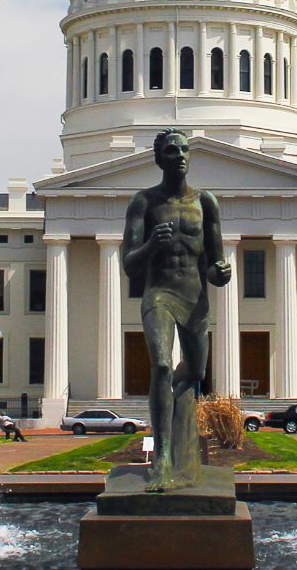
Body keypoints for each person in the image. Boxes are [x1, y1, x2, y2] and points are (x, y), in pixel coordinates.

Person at [121, 129, 232, 492]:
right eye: (172, 150)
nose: (180, 155)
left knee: (194, 373)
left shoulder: (206, 203)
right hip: (160, 294)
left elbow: (216, 264)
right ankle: (164, 458)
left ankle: (186, 454)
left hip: (195, 298)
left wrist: (222, 272)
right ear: (159, 158)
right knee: (163, 365)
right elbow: (129, 265)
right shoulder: (144, 203)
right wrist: (152, 244)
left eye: (185, 150)